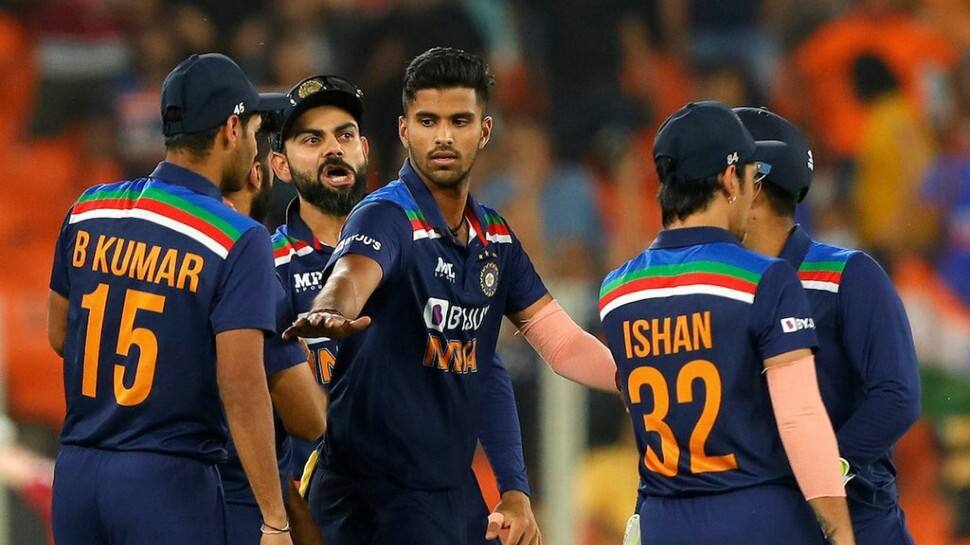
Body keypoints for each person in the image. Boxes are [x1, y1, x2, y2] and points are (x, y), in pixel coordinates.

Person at [283, 47, 620, 545]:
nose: (443, 136)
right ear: (404, 130)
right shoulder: (386, 215)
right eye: (428, 120)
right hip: (370, 496)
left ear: (484, 131)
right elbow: (353, 275)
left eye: (459, 120)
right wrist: (332, 307)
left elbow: (560, 345)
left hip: (444, 489)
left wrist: (639, 378)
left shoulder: (495, 239)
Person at [270, 73, 535, 545]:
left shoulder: (421, 247)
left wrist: (514, 485)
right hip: (316, 505)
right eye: (312, 139)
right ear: (280, 165)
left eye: (345, 135)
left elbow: (479, 363)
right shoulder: (267, 266)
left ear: (366, 150)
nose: (333, 148)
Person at [46, 53, 293, 545]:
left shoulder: (89, 206)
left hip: (75, 473)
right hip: (167, 481)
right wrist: (274, 518)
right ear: (230, 128)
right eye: (254, 131)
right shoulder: (237, 238)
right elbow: (241, 386)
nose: (254, 146)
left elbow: (60, 334)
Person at [598, 101, 855, 545]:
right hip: (756, 516)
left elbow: (595, 366)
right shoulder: (766, 278)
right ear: (728, 179)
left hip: (662, 523)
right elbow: (800, 418)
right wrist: (841, 532)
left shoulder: (617, 290)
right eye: (753, 176)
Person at [736, 106, 921, 545]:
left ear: (754, 184)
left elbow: (897, 396)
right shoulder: (722, 288)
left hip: (860, 522)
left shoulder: (848, 275)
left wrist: (821, 475)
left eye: (718, 180)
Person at [221, 124, 329, 545]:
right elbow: (309, 419)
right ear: (259, 175)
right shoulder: (255, 267)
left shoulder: (175, 251)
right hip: (242, 501)